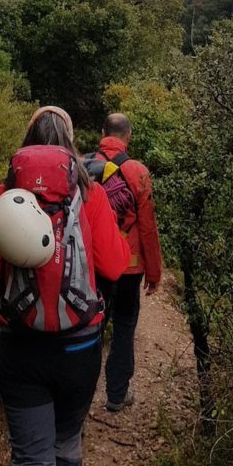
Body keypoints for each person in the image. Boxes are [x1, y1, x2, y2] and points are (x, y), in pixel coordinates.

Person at [0, 106, 130, 466]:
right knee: (66, 448)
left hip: (21, 348)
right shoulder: (89, 193)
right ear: (70, 146)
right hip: (79, 350)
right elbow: (115, 265)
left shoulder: (6, 194)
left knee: (32, 457)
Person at [94, 112, 162, 412]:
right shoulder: (138, 171)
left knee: (91, 326)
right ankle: (117, 394)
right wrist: (154, 271)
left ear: (103, 132)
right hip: (128, 266)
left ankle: (78, 399)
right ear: (129, 136)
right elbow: (147, 226)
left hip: (94, 263)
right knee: (123, 325)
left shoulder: (85, 165)